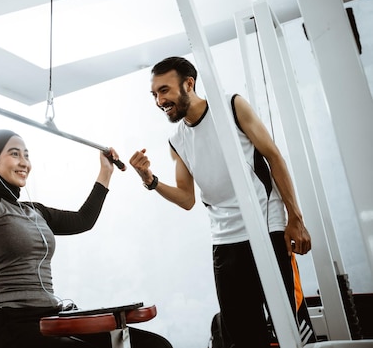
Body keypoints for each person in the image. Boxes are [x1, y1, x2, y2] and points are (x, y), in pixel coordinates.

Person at [0, 90, 174, 348]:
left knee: (154, 345)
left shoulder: (34, 211)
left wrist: (105, 172)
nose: (24, 162)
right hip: (7, 325)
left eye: (27, 154)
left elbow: (83, 220)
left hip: (49, 317)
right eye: (14, 153)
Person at [129, 56, 312, 348]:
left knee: (289, 327)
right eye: (154, 94)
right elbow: (187, 198)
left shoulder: (231, 106)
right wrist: (149, 179)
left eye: (164, 90)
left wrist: (295, 218)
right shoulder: (178, 140)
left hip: (267, 228)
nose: (159, 101)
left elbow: (274, 157)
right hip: (225, 242)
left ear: (189, 83)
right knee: (242, 336)